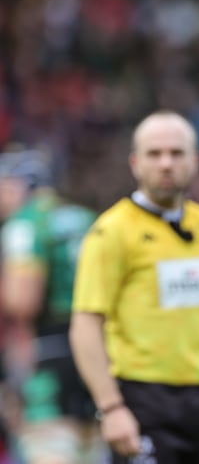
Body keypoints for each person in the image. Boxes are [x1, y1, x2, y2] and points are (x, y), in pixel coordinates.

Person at [69, 110, 199, 464]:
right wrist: (111, 408)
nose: (166, 163)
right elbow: (85, 326)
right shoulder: (112, 231)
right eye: (154, 154)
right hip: (143, 403)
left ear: (195, 161)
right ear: (135, 163)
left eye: (176, 153)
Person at [0, 147, 102, 464]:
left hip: (51, 352)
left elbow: (22, 300)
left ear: (20, 184)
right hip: (99, 351)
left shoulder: (24, 223)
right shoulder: (85, 218)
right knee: (89, 449)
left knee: (49, 448)